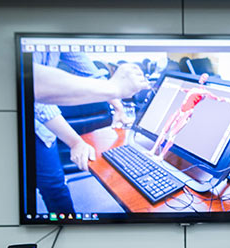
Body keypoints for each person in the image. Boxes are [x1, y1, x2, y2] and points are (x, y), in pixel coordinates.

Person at [32, 52, 150, 212]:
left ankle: (68, 222)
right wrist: (75, 142)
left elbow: (90, 72)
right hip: (28, 121)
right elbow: (33, 89)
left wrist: (119, 107)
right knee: (50, 184)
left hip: (45, 125)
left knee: (55, 186)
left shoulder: (64, 42)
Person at [146, 73, 230, 161]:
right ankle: (153, 150)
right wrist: (168, 85)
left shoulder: (205, 92)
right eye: (202, 76)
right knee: (164, 130)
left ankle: (161, 156)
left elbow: (216, 98)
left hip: (186, 113)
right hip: (180, 110)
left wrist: (227, 100)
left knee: (172, 135)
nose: (201, 78)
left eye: (204, 77)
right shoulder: (194, 88)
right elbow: (182, 89)